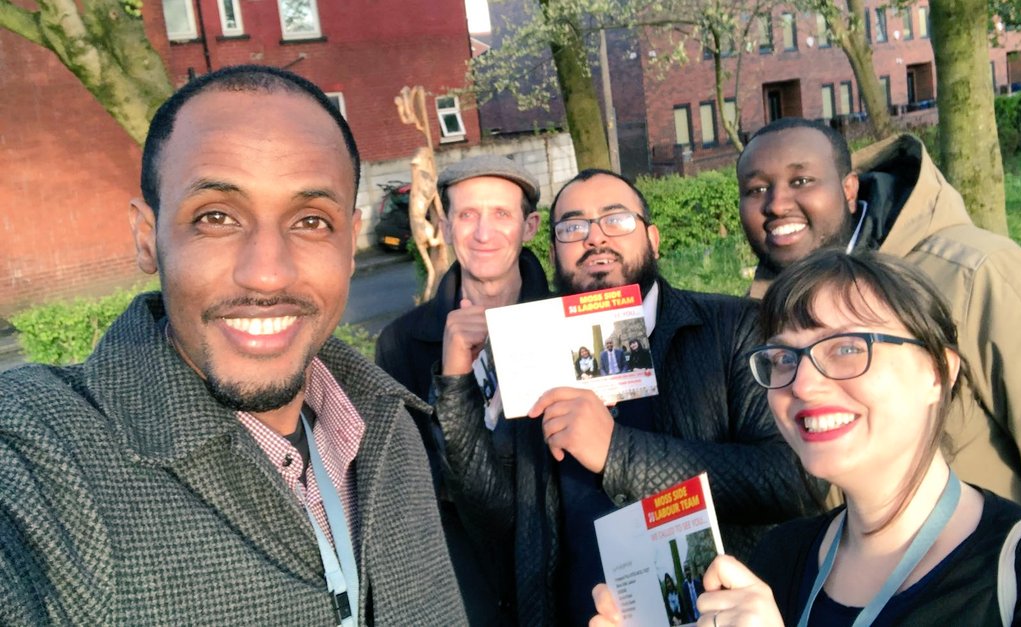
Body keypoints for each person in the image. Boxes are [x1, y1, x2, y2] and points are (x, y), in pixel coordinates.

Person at [0, 65, 465, 625]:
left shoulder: (392, 431)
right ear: (148, 238)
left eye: (311, 220)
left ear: (348, 241)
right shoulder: (45, 461)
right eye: (216, 217)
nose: (267, 275)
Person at [434, 168, 820, 625]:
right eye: (573, 228)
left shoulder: (735, 328)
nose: (595, 238)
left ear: (653, 239)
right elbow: (497, 516)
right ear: (554, 250)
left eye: (616, 220)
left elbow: (792, 482)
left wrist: (616, 451)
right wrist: (456, 382)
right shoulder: (532, 349)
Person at [592, 249, 1021, 626]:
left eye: (848, 348)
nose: (801, 385)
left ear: (938, 373)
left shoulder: (1011, 570)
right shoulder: (779, 559)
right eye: (784, 357)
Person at [737, 117, 1021, 503]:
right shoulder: (761, 317)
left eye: (801, 181)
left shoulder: (977, 272)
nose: (776, 204)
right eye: (756, 189)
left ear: (849, 188)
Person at [375, 153, 546, 625]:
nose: (483, 233)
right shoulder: (401, 343)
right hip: (462, 576)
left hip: (554, 565)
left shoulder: (567, 323)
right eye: (467, 215)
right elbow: (408, 481)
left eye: (501, 215)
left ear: (529, 226)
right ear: (445, 227)